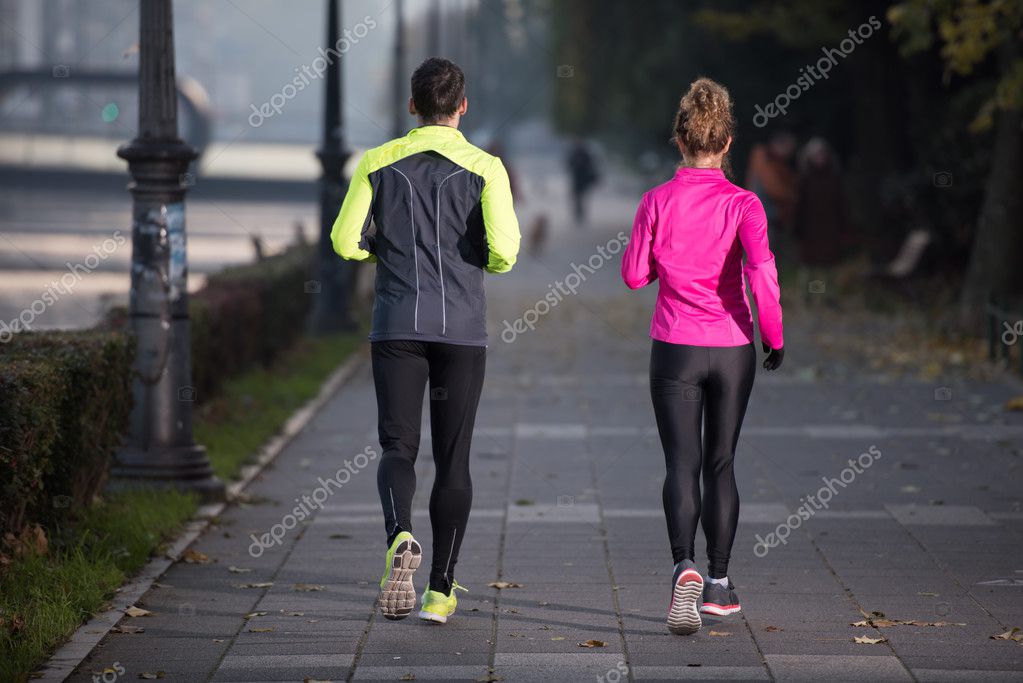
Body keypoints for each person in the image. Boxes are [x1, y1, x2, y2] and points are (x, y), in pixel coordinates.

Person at [331, 57, 520, 623]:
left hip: (396, 324)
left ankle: (399, 537)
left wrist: (376, 252)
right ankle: (440, 591)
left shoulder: (376, 162)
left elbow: (344, 242)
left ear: (411, 105)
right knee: (454, 458)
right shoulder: (488, 168)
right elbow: (506, 252)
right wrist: (477, 261)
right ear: (462, 107)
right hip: (461, 329)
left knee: (398, 448)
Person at [621, 78, 784, 636]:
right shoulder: (745, 204)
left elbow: (633, 275)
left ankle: (682, 567)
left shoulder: (656, 202)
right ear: (729, 141)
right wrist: (775, 337)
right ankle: (718, 583)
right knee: (722, 463)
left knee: (680, 464)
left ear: (679, 139)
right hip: (734, 346)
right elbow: (762, 275)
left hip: (675, 346)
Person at [792, 137, 848, 303]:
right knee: (808, 267)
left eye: (823, 155)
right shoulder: (804, 179)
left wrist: (843, 227)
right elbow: (798, 207)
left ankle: (829, 297)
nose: (820, 159)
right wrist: (798, 229)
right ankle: (807, 296)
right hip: (810, 229)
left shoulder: (834, 178)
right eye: (817, 155)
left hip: (830, 229)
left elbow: (841, 205)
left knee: (828, 267)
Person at [745, 130, 797, 251]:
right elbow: (774, 188)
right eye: (789, 149)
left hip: (765, 214)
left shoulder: (773, 161)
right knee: (766, 251)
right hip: (766, 214)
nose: (790, 153)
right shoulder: (765, 159)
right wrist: (793, 195)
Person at [565, 138, 599, 226]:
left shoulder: (584, 154)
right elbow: (568, 164)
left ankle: (581, 214)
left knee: (582, 197)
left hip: (583, 179)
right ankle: (578, 214)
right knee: (577, 198)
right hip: (577, 179)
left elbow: (591, 165)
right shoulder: (574, 153)